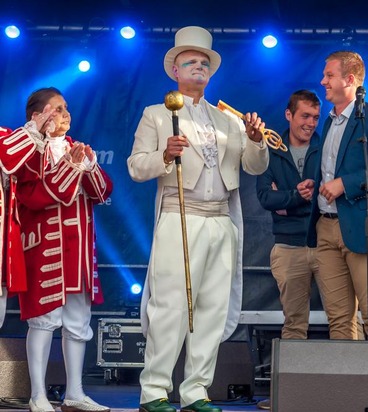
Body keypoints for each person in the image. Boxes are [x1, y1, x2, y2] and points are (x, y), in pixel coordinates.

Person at [127, 26, 268, 412]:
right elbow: (136, 167)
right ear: (175, 69)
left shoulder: (229, 120)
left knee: (210, 309)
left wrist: (255, 139)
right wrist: (165, 156)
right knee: (170, 305)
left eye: (205, 63)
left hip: (220, 219)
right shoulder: (157, 114)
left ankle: (195, 392)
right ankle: (154, 391)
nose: (199, 67)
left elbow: (254, 166)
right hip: (179, 214)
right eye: (191, 62)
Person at [12, 87, 113, 412]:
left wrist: (89, 165)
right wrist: (71, 167)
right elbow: (36, 197)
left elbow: (102, 191)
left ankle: (75, 393)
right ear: (37, 116)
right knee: (43, 321)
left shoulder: (76, 148)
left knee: (78, 323)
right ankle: (38, 395)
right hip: (44, 250)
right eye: (57, 108)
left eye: (66, 107)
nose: (65, 113)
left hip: (78, 251)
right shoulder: (28, 152)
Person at [306, 50, 368, 341]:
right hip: (326, 226)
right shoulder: (329, 122)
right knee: (338, 319)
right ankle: (349, 387)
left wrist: (344, 184)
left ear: (349, 79)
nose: (322, 81)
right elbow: (333, 169)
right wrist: (319, 186)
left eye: (329, 75)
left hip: (364, 226)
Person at [254, 89, 321, 411]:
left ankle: (349, 390)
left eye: (315, 117)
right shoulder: (269, 148)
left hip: (329, 244)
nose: (310, 123)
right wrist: (297, 196)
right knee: (294, 322)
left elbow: (334, 194)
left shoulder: (327, 145)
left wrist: (291, 200)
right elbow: (267, 199)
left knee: (345, 320)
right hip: (288, 246)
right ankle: (291, 394)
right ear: (289, 115)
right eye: (305, 116)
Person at [0, 113, 50, 329]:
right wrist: (31, 132)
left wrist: (40, 136)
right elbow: (6, 157)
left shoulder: (5, 136)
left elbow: (30, 178)